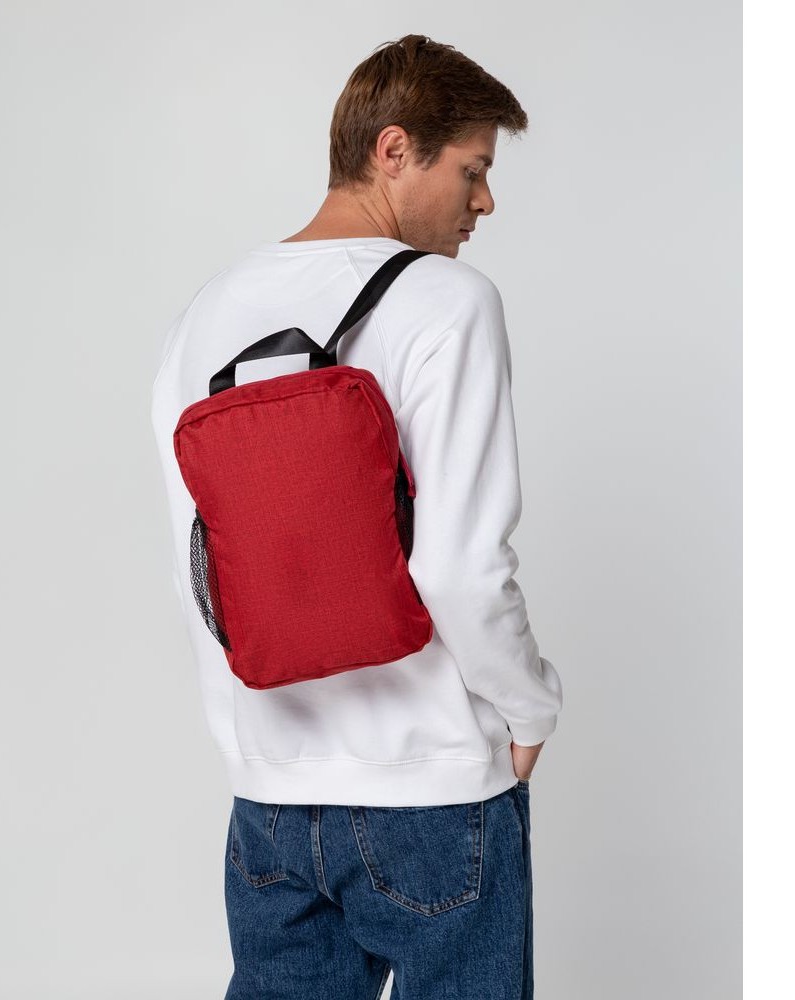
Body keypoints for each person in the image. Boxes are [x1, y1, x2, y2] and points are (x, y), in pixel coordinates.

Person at [150, 33, 563, 1000]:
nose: (485, 202)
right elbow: (459, 567)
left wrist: (255, 750)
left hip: (269, 801)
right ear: (394, 149)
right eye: (472, 170)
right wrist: (532, 706)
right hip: (432, 792)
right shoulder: (450, 302)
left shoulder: (204, 314)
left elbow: (198, 568)